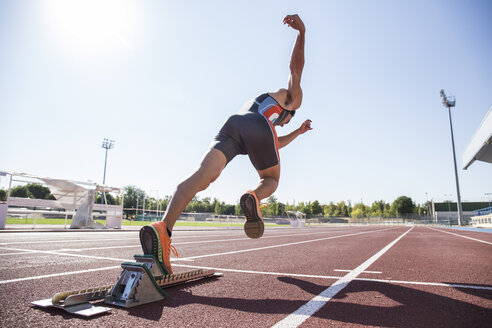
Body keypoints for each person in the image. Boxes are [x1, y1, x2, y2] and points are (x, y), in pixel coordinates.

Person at [139, 14, 312, 274]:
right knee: (271, 180)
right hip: (256, 128)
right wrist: (302, 33)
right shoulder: (291, 100)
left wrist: (297, 132)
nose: (283, 125)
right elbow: (295, 69)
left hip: (234, 124)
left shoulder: (264, 106)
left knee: (202, 177)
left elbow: (274, 143)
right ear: (289, 110)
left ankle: (163, 229)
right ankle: (253, 196)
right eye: (286, 122)